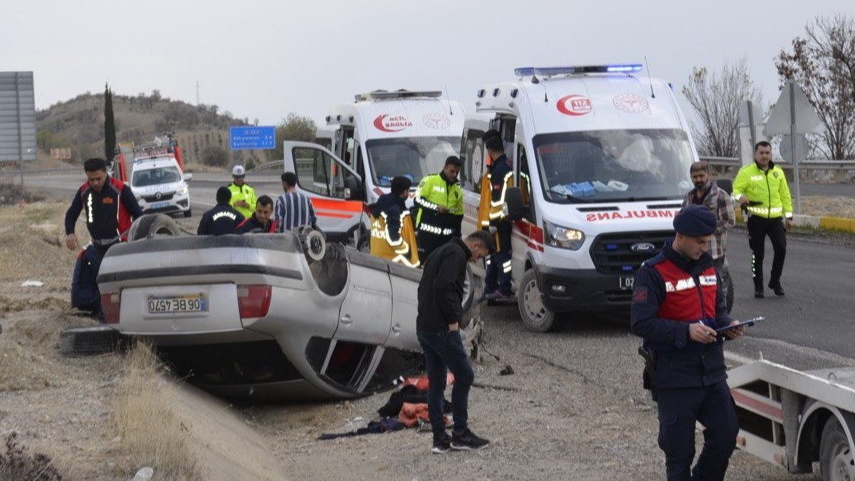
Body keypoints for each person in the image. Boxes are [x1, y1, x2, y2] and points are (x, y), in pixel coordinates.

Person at [631, 205, 746, 481]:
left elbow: (718, 311)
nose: (704, 248)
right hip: (675, 378)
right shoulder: (652, 272)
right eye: (700, 242)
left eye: (707, 242)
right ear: (680, 235)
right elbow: (640, 323)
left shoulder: (709, 267)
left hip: (712, 373)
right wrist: (686, 331)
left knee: (726, 435)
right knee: (679, 454)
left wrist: (727, 325)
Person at [417, 230, 494, 454]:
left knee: (437, 382)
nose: (476, 259)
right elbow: (444, 287)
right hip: (441, 328)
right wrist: (453, 318)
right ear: (476, 245)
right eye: (479, 255)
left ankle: (439, 439)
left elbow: (424, 287)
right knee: (465, 375)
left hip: (425, 327)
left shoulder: (439, 252)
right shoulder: (457, 256)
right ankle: (460, 434)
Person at [65, 158, 143, 317]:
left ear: (105, 173)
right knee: (85, 281)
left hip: (120, 246)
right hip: (97, 246)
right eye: (91, 179)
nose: (95, 182)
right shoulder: (83, 191)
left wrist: (136, 241)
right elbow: (71, 214)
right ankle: (94, 310)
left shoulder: (120, 189)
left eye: (98, 179)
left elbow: (139, 215)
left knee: (115, 283)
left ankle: (122, 312)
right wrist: (70, 232)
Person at [732, 141, 793, 298]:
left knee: (781, 248)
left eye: (767, 153)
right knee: (757, 254)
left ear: (771, 154)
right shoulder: (746, 172)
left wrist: (789, 215)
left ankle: (775, 281)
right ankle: (758, 285)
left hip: (775, 220)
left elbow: (785, 195)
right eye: (762, 153)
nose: (765, 156)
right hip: (756, 219)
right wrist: (741, 197)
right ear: (755, 154)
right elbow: (735, 190)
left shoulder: (778, 172)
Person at [682, 161, 735, 308]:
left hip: (714, 252)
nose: (698, 179)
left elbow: (730, 221)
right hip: (692, 252)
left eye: (701, 175)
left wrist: (706, 230)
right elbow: (682, 217)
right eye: (695, 177)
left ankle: (721, 317)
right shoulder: (688, 197)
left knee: (718, 286)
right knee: (694, 284)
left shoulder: (721, 196)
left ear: (709, 175)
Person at [481, 136, 515, 300]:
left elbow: (497, 200)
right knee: (494, 255)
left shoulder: (498, 170)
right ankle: (490, 287)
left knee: (501, 256)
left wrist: (492, 222)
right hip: (506, 218)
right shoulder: (507, 164)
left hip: (500, 221)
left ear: (490, 151)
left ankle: (504, 287)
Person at [414, 156, 464, 262]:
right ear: (445, 168)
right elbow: (418, 201)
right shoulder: (430, 180)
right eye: (452, 171)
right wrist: (436, 208)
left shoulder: (457, 190)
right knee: (425, 267)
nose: (454, 175)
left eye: (457, 172)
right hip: (428, 236)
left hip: (447, 240)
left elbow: (459, 216)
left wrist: (457, 238)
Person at [369, 176, 419, 267]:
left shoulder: (381, 203)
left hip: (378, 255)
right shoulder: (395, 210)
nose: (408, 193)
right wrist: (406, 250)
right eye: (407, 191)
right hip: (394, 261)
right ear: (404, 192)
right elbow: (394, 238)